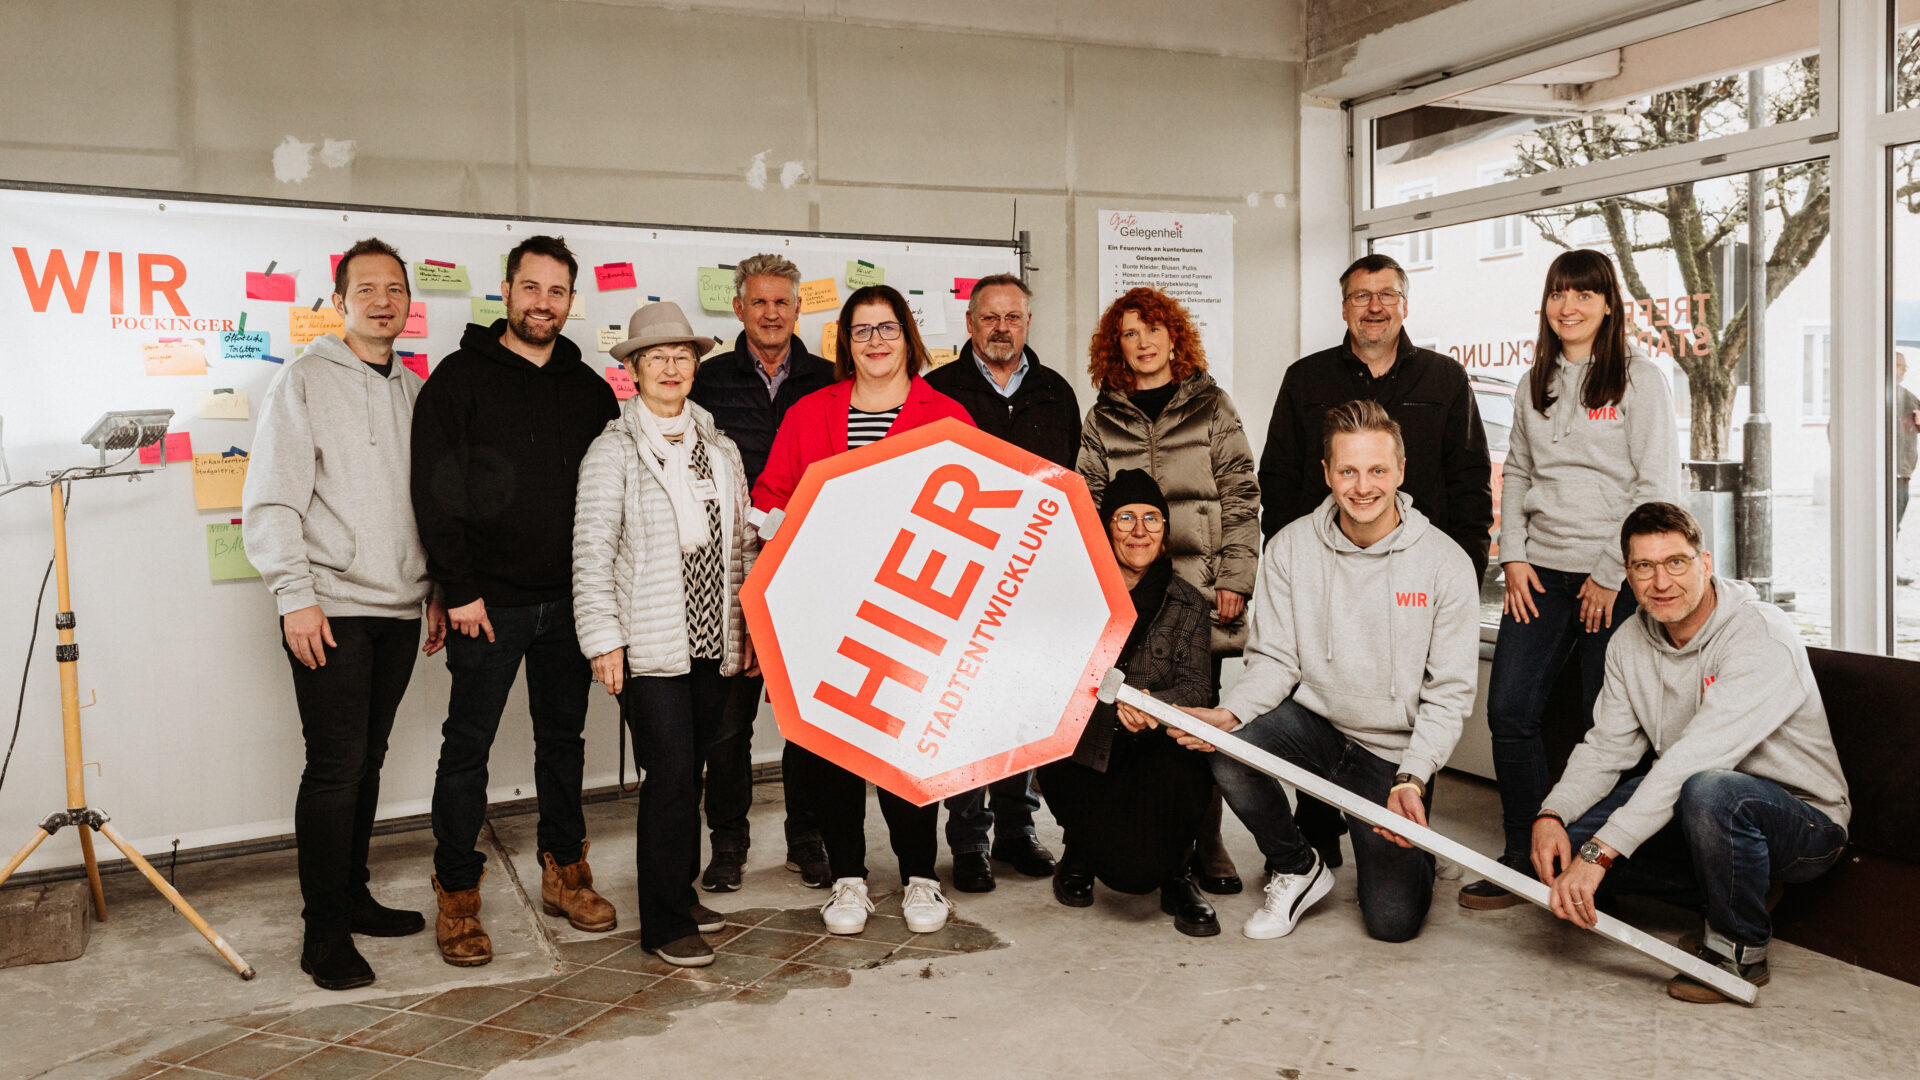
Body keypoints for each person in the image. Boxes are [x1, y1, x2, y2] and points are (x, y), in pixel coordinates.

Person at [1179, 400, 1478, 943]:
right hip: (1314, 730)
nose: (1362, 487)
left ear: (1401, 471)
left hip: (1390, 757)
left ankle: (1420, 856)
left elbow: (1449, 694)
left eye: (1377, 470)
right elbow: (1276, 660)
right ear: (1327, 474)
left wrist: (1414, 774)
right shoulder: (1292, 548)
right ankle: (1296, 865)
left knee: (1392, 922)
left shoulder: (1444, 563)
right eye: (1348, 471)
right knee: (1224, 745)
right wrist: (1230, 712)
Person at [1533, 501, 1850, 1003]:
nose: (1661, 582)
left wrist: (1602, 853)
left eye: (1676, 563)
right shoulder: (1629, 641)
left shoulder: (1759, 635)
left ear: (1704, 565)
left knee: (1710, 790)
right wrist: (1552, 813)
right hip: (1695, 803)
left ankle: (1740, 950)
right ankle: (1734, 885)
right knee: (1568, 846)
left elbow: (1693, 761)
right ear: (1629, 575)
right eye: (1644, 567)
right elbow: (1606, 748)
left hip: (1804, 823)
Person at [411, 235, 621, 966]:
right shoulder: (458, 379)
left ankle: (566, 874)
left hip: (571, 603)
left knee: (563, 745)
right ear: (507, 291)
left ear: (570, 300)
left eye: (557, 292)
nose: (543, 303)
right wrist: (458, 588)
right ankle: (458, 896)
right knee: (466, 750)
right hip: (486, 606)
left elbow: (611, 501)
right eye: (531, 288)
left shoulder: (591, 388)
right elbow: (434, 493)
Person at [243, 238, 447, 991]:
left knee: (367, 760)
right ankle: (322, 931)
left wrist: (428, 590)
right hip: (327, 605)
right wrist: (294, 597)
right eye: (367, 289)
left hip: (396, 607)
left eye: (396, 287)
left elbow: (424, 503)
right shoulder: (302, 381)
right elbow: (269, 499)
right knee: (333, 768)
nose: (384, 300)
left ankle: (352, 895)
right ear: (339, 303)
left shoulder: (413, 389)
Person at [1255, 252, 1492, 871]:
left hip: (1413, 573)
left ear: (1405, 304)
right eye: (1362, 296)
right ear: (1344, 307)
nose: (1375, 306)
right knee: (1313, 689)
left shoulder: (1443, 379)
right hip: (1323, 571)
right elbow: (1278, 477)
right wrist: (1290, 562)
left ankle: (1407, 802)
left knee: (1395, 909)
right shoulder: (1305, 379)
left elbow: (1469, 479)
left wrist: (1458, 568)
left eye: (1387, 294)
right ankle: (1314, 840)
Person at [752, 283, 974, 938]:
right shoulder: (809, 413)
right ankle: (850, 878)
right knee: (833, 750)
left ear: (908, 336)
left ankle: (921, 878)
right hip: (826, 611)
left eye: (887, 328)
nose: (876, 341)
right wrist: (789, 533)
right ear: (844, 344)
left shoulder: (949, 417)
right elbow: (770, 496)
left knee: (909, 751)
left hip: (916, 613)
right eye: (861, 331)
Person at [1461, 248, 1679, 910]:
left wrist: (1613, 574)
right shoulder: (1536, 383)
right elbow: (1520, 473)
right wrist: (1515, 557)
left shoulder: (1640, 382)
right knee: (1509, 710)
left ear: (1609, 304)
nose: (1570, 306)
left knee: (1605, 724)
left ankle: (1598, 861)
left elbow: (1657, 487)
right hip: (1539, 574)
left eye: (1585, 294)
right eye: (1559, 293)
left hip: (1614, 584)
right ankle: (1523, 854)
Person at [573, 302, 755, 968]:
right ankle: (665, 923)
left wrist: (750, 633)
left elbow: (743, 548)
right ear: (634, 371)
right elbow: (590, 552)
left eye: (682, 356)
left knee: (692, 772)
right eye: (657, 358)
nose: (671, 368)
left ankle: (676, 891)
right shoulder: (612, 452)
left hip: (714, 642)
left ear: (695, 366)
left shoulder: (721, 448)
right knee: (672, 774)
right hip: (648, 647)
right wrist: (602, 641)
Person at [1078, 285, 1257, 895]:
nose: (1144, 342)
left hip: (1202, 589)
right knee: (1114, 716)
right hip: (1126, 591)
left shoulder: (1212, 406)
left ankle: (1205, 843)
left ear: (1174, 336)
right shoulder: (1103, 416)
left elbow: (1240, 493)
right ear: (1116, 347)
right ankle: (1103, 836)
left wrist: (1236, 577)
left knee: (1193, 719)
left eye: (1153, 329)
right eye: (1129, 333)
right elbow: (1084, 506)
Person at [923, 272, 1077, 892]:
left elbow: (1071, 490)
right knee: (965, 714)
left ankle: (1017, 831)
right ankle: (968, 842)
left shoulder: (1056, 393)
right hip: (961, 585)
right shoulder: (939, 392)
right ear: (969, 324)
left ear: (1028, 323)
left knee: (1021, 711)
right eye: (989, 317)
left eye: (1013, 317)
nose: (1001, 327)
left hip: (1032, 584)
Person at [688, 254, 837, 892]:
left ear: (799, 309)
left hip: (816, 571)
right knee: (728, 720)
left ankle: (807, 838)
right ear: (738, 308)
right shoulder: (708, 381)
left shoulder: (832, 379)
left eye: (783, 302)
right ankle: (728, 842)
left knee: (809, 720)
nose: (771, 313)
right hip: (730, 570)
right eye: (759, 302)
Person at [1039, 469, 1218, 936]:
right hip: (1090, 748)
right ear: (1105, 526)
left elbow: (1199, 689)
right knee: (1057, 749)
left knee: (1190, 756)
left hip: (1157, 752)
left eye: (1152, 519)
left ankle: (1177, 873)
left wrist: (1150, 705)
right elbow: (1049, 682)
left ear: (1165, 532)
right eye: (1125, 518)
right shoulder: (1075, 599)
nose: (1139, 531)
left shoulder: (1190, 604)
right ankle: (1079, 848)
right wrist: (1112, 711)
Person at [1897, 351, 1917, 586]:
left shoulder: (1906, 397)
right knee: (1890, 523)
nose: (1905, 370)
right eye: (1902, 366)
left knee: (1895, 525)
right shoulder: (1892, 395)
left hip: (1902, 471)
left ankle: (1887, 568)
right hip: (1893, 472)